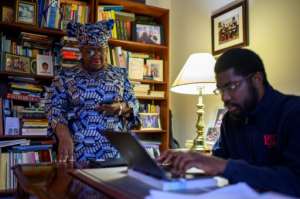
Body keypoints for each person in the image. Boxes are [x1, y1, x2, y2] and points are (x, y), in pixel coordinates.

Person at [158, 48, 300, 197]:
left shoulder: (293, 113)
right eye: (220, 89)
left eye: (232, 86)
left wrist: (224, 166)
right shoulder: (230, 120)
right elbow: (218, 165)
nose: (224, 97)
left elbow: (295, 180)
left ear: (257, 79)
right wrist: (184, 169)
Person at [46, 19, 140, 162]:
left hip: (115, 151)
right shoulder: (65, 76)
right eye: (90, 50)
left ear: (106, 50)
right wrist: (64, 137)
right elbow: (53, 108)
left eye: (100, 50)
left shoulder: (120, 75)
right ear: (81, 51)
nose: (96, 55)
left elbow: (134, 104)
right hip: (78, 151)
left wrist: (121, 107)